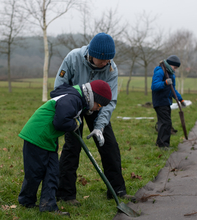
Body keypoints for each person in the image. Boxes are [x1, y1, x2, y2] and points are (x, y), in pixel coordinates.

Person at [54, 32, 135, 206]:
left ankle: (117, 190)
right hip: (73, 104)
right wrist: (70, 113)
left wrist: (99, 127)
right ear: (92, 55)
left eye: (109, 60)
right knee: (72, 147)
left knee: (110, 145)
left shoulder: (111, 68)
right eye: (103, 60)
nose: (107, 63)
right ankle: (65, 194)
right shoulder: (73, 58)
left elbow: (110, 101)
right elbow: (59, 87)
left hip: (97, 107)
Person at [17, 80, 112, 216]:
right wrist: (75, 124)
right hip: (37, 136)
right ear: (92, 97)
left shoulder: (77, 99)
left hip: (48, 140)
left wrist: (77, 120)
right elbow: (60, 121)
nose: (98, 108)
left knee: (53, 173)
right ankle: (26, 201)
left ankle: (48, 206)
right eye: (99, 105)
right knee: (35, 172)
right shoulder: (72, 98)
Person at [151, 55, 186, 149]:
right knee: (166, 123)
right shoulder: (160, 71)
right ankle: (163, 145)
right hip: (160, 101)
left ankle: (160, 143)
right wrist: (165, 83)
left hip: (166, 102)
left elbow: (172, 89)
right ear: (170, 65)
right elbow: (154, 86)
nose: (175, 70)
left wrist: (180, 99)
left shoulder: (170, 74)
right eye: (174, 67)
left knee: (165, 123)